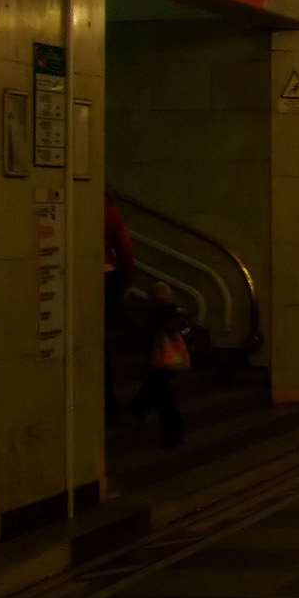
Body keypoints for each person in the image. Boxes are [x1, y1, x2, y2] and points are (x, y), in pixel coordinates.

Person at [128, 280, 190, 448]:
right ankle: (138, 407)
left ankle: (173, 430)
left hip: (159, 356)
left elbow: (146, 331)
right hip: (170, 357)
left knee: (160, 393)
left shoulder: (154, 312)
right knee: (156, 387)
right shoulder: (176, 312)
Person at [102, 187, 136, 426]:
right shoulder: (108, 208)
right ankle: (109, 406)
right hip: (107, 277)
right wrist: (124, 282)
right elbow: (125, 248)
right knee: (105, 345)